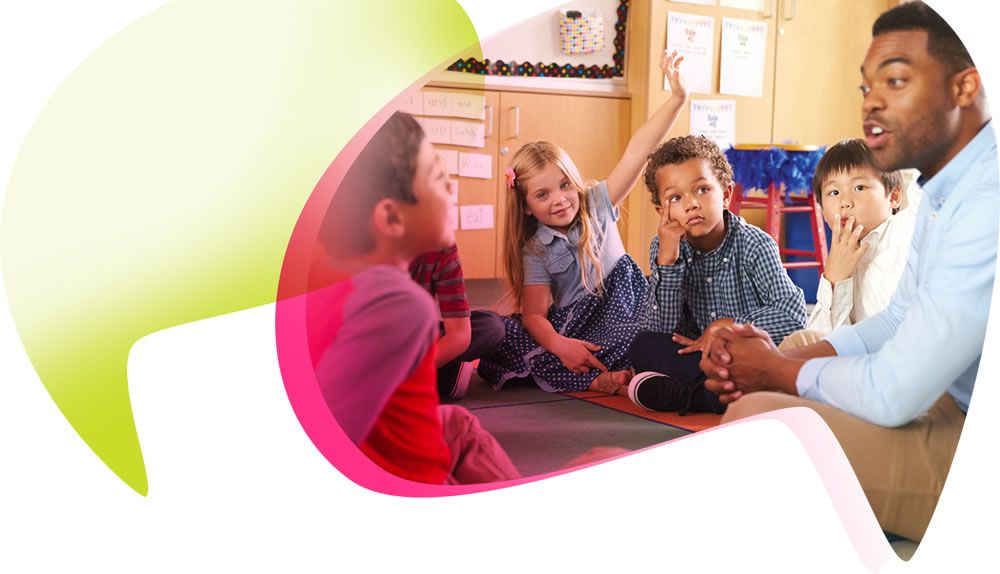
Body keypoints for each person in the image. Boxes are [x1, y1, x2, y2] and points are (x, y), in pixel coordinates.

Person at [700, 1, 996, 541]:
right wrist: (782, 358)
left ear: (964, 88)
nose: (873, 102)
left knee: (758, 422)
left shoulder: (985, 199)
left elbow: (894, 389)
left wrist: (774, 369)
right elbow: (895, 320)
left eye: (897, 80)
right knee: (764, 403)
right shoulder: (941, 191)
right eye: (866, 87)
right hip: (940, 402)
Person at [311, 111, 519, 484]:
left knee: (457, 421)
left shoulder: (331, 280)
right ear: (392, 218)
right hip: (412, 482)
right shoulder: (400, 305)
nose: (452, 190)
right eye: (438, 181)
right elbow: (327, 436)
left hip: (396, 428)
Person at [478, 50, 688, 394]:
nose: (560, 199)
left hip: (625, 314)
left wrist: (678, 97)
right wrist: (561, 345)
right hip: (577, 329)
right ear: (527, 207)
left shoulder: (597, 203)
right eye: (542, 195)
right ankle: (606, 381)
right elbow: (534, 315)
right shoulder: (534, 248)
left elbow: (638, 151)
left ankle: (621, 376)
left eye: (564, 186)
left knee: (654, 333)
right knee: (507, 341)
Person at [625, 135, 806, 414]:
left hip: (744, 354)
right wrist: (668, 261)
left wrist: (729, 325)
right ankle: (713, 396)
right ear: (663, 211)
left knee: (774, 358)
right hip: (700, 358)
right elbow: (659, 329)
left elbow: (793, 315)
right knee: (642, 346)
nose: (691, 204)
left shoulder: (755, 244)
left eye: (702, 190)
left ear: (726, 194)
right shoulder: (664, 248)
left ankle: (689, 395)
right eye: (676, 197)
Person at [780, 138, 922, 349]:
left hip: (913, 353)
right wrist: (835, 280)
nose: (845, 202)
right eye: (833, 192)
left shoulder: (907, 228)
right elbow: (824, 337)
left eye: (859, 187)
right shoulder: (840, 257)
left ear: (894, 196)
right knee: (797, 344)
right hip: (865, 362)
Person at [410, 240, 505, 400]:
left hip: (418, 344)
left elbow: (459, 333)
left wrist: (413, 370)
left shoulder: (441, 248)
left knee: (490, 327)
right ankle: (440, 378)